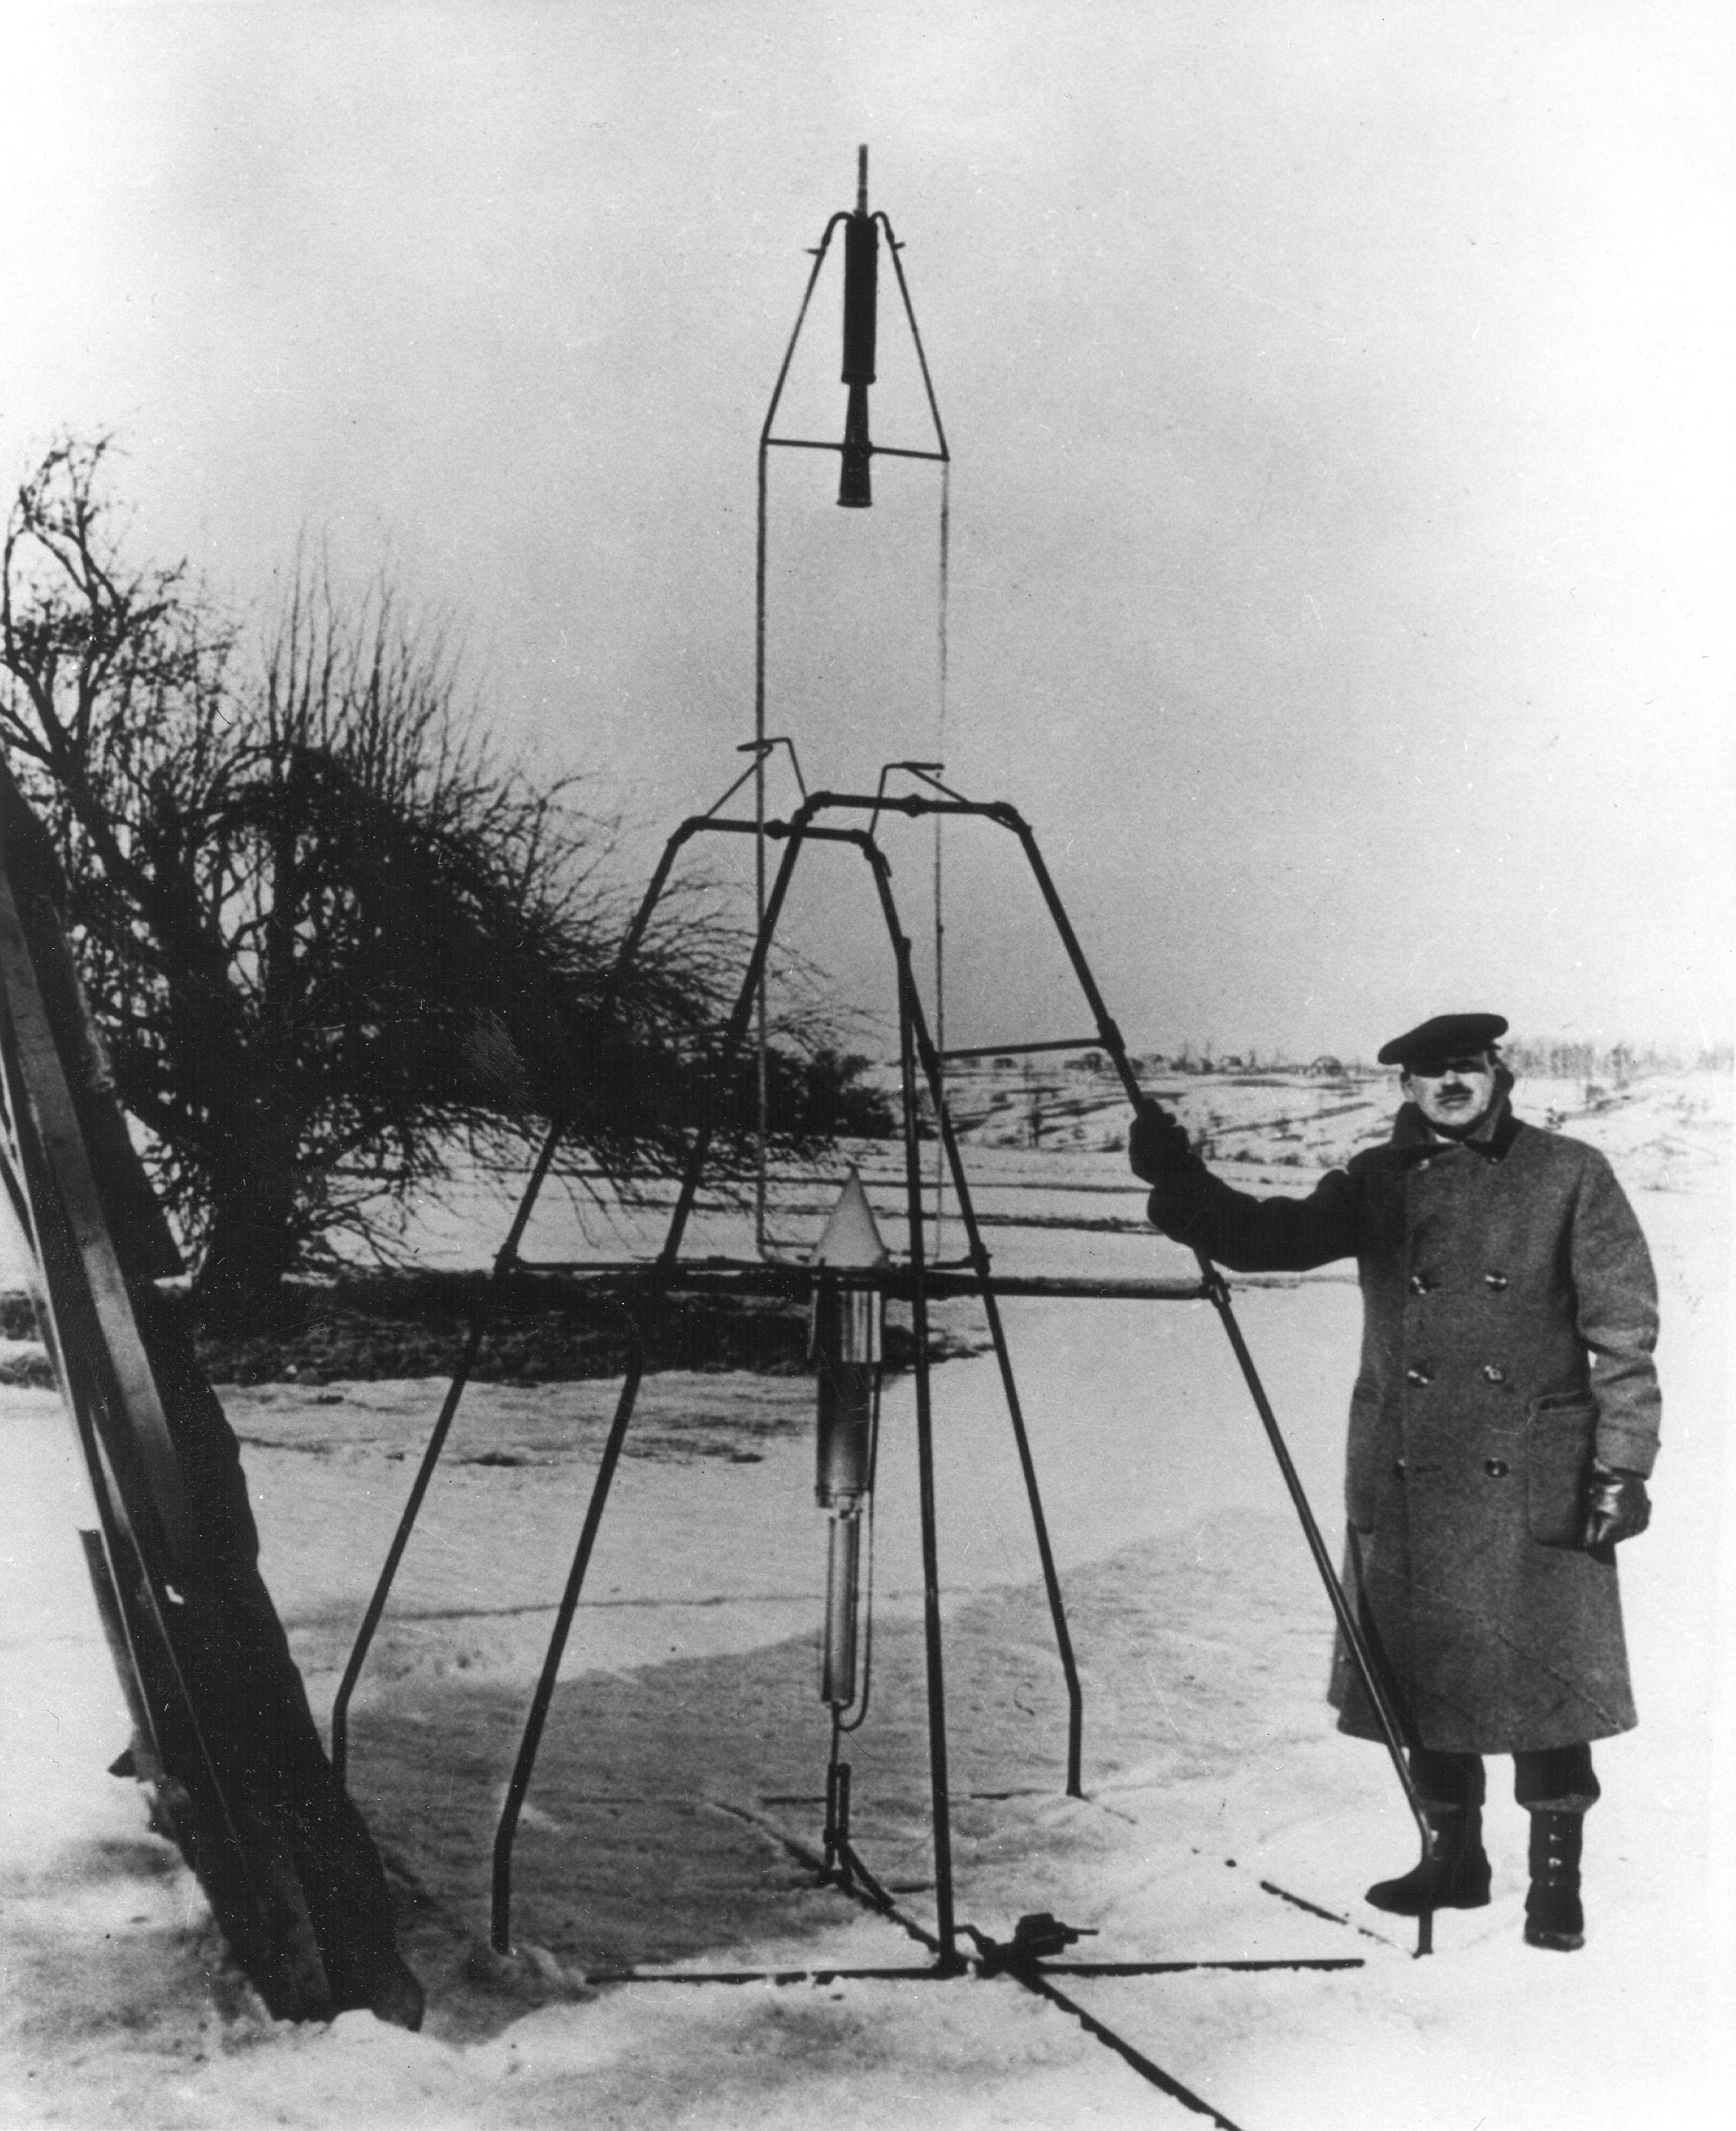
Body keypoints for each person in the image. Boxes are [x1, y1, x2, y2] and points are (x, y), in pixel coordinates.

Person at [1128, 1013, 1659, 1950]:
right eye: (1428, 1073)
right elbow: (1269, 1238)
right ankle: (1451, 1860)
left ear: (1499, 1072)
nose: (1449, 1084)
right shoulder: (1378, 1179)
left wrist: (1621, 1466)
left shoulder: (1570, 1172)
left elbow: (1623, 1332)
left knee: (1542, 1678)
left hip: (1530, 1468)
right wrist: (1179, 1180)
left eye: (1465, 1067)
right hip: (1409, 1463)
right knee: (1424, 1666)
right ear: (1405, 1089)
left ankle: (1554, 1887)